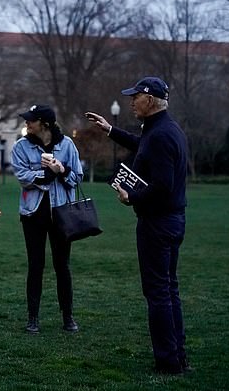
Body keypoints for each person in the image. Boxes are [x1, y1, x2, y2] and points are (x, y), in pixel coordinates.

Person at [85, 76, 190, 374]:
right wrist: (110, 130)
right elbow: (143, 146)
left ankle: (168, 361)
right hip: (172, 220)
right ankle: (177, 357)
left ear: (150, 100)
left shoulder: (159, 135)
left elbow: (162, 185)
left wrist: (131, 197)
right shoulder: (165, 129)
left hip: (157, 223)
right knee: (169, 290)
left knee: (157, 293)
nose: (131, 101)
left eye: (136, 96)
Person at [10, 104, 83, 334]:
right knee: (35, 265)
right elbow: (22, 177)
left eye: (31, 120)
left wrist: (61, 169)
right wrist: (45, 173)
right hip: (33, 215)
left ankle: (68, 317)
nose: (27, 123)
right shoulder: (21, 147)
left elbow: (77, 177)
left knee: (62, 266)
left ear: (45, 124)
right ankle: (33, 318)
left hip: (62, 214)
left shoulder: (67, 145)